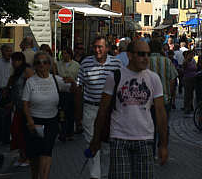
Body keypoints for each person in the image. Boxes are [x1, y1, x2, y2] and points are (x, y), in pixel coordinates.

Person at [90, 39, 168, 179]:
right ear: (130, 55)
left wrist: (163, 144)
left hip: (145, 139)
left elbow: (161, 114)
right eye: (141, 54)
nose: (146, 58)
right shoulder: (114, 77)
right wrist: (96, 139)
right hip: (120, 139)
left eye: (148, 54)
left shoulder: (153, 79)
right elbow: (102, 111)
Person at [22, 51, 74, 179]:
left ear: (49, 65)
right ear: (34, 65)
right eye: (38, 62)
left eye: (45, 62)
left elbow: (72, 90)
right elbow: (25, 104)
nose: (42, 65)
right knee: (35, 155)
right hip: (34, 121)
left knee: (46, 151)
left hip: (51, 121)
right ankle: (35, 176)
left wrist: (73, 83)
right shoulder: (30, 82)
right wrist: (30, 121)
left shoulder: (56, 80)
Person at [75, 36, 121, 179]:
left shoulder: (116, 64)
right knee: (92, 143)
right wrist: (78, 114)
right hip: (91, 108)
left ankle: (105, 174)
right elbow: (79, 86)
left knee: (106, 146)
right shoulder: (86, 63)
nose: (97, 50)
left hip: (109, 111)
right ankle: (95, 176)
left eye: (100, 47)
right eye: (95, 47)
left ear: (107, 48)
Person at [7, 52, 34, 166]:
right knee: (17, 132)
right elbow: (14, 90)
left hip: (26, 107)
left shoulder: (26, 71)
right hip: (18, 107)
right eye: (12, 60)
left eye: (15, 60)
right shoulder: (16, 73)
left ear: (20, 61)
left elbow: (33, 86)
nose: (13, 63)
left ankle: (28, 157)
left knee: (24, 133)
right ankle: (22, 156)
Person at [57, 47, 80, 139]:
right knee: (62, 112)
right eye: (63, 53)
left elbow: (79, 78)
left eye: (66, 53)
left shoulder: (76, 65)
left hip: (72, 91)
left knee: (70, 112)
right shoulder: (58, 64)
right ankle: (62, 131)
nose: (64, 55)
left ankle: (70, 132)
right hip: (62, 91)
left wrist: (72, 81)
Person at [182, 50, 197, 114]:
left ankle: (191, 106)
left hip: (194, 78)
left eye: (192, 55)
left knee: (191, 94)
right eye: (190, 55)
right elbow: (184, 69)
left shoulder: (193, 60)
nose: (191, 56)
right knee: (187, 94)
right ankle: (186, 107)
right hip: (187, 79)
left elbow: (196, 67)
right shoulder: (185, 61)